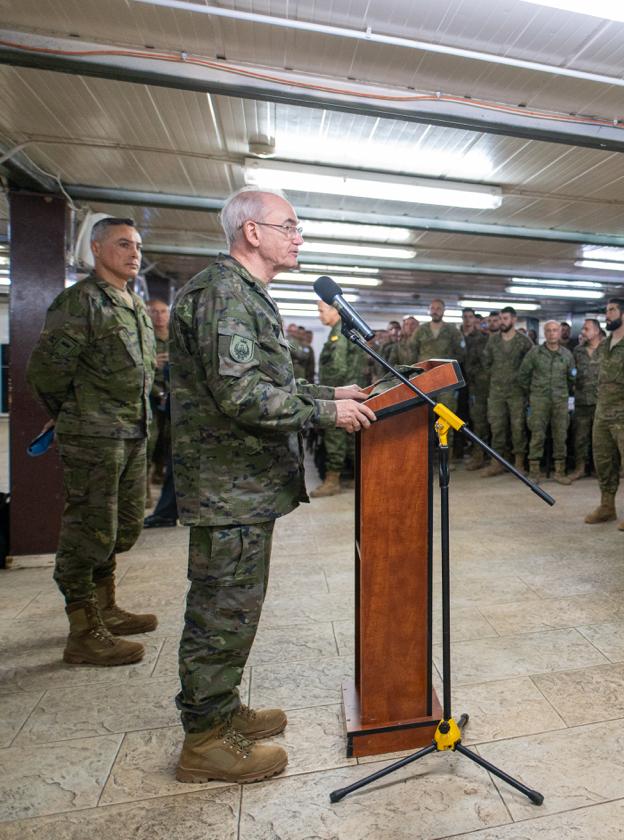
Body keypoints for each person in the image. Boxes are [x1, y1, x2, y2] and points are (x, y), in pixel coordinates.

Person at [170, 188, 376, 783]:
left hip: (241, 484)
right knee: (221, 611)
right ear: (251, 232)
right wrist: (325, 416)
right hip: (226, 485)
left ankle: (221, 708)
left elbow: (266, 381)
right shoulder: (224, 295)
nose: (298, 236)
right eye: (289, 226)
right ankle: (203, 740)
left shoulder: (243, 293)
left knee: (234, 606)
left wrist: (328, 394)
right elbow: (240, 396)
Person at [28, 216, 158, 667]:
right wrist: (73, 415)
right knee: (88, 529)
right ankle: (82, 630)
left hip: (132, 432)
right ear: (98, 249)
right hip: (94, 436)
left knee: (122, 526)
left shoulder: (134, 305)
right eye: (123, 244)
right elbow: (46, 373)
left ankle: (105, 607)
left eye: (138, 245)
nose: (134, 252)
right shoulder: (80, 302)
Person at [584, 299, 624, 527]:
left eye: (611, 310)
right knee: (603, 462)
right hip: (602, 415)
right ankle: (607, 506)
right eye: (606, 310)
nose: (607, 314)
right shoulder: (604, 346)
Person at [311, 299, 364, 497]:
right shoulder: (343, 330)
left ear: (335, 311)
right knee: (352, 439)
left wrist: (329, 393)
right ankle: (360, 477)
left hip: (341, 396)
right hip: (351, 395)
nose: (320, 315)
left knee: (334, 437)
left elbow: (338, 367)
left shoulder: (339, 333)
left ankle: (332, 481)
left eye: (321, 310)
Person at [519, 321, 575, 484]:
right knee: (537, 435)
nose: (552, 334)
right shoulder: (535, 353)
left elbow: (572, 378)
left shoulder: (566, 354)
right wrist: (533, 392)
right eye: (549, 331)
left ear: (559, 333)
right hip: (539, 400)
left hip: (560, 400)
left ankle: (560, 471)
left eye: (555, 330)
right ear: (545, 333)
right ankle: (535, 472)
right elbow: (523, 375)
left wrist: (562, 391)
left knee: (560, 435)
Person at [482, 306, 535, 476]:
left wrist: (523, 385)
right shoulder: (493, 340)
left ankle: (519, 463)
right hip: (496, 391)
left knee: (517, 427)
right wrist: (496, 377)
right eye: (500, 318)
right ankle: (497, 462)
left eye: (505, 318)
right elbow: (486, 362)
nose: (502, 322)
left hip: (517, 392)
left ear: (513, 320)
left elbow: (531, 366)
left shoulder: (524, 341)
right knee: (497, 427)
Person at [405, 299, 464, 423]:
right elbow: (412, 352)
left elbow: (461, 353)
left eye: (438, 309)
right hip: (424, 378)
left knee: (447, 416)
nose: (435, 311)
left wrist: (450, 367)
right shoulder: (421, 330)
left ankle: (447, 443)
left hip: (446, 379)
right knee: (423, 416)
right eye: (432, 308)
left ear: (443, 311)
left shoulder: (452, 330)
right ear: (429, 310)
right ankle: (427, 443)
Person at [570, 318, 603, 481]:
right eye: (583, 328)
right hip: (582, 401)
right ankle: (580, 468)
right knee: (580, 437)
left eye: (586, 329)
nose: (583, 331)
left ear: (596, 331)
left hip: (601, 402)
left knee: (600, 438)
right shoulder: (577, 351)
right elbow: (571, 374)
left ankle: (599, 469)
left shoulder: (607, 349)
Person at [461, 307, 492, 470]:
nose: (467, 320)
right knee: (462, 417)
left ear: (474, 319)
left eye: (470, 317)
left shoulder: (481, 339)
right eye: (465, 317)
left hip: (477, 386)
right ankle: (463, 452)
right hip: (459, 383)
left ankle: (479, 455)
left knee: (478, 420)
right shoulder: (457, 335)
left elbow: (485, 363)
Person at [146, 298, 172, 486]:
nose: (159, 316)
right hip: (149, 396)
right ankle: (144, 486)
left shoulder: (176, 338)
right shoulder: (144, 337)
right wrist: (151, 361)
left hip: (172, 396)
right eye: (154, 311)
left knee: (168, 440)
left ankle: (161, 473)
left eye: (163, 311)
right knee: (149, 441)